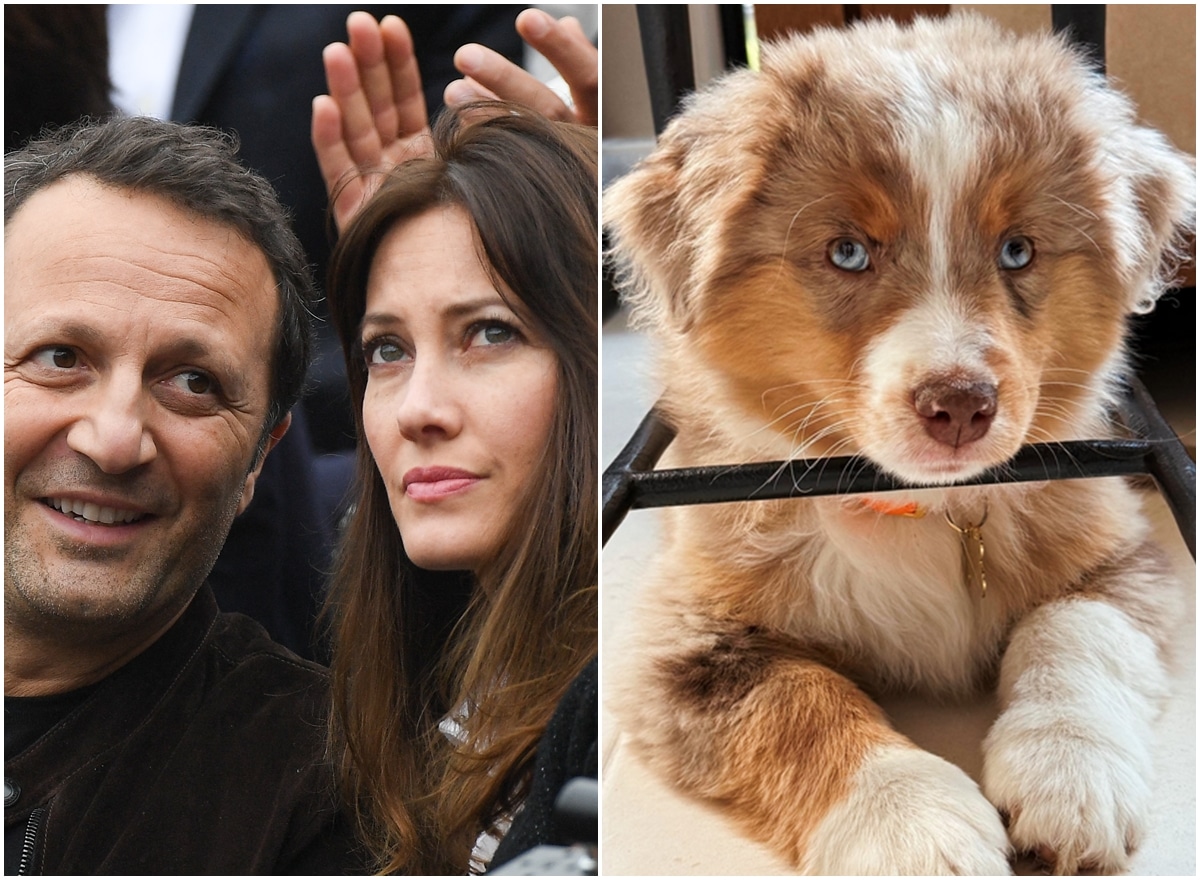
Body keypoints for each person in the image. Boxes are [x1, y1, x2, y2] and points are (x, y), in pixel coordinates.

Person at [3, 116, 364, 874]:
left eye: (193, 384)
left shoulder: (330, 803)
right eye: (61, 357)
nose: (113, 439)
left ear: (261, 457)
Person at [318, 99, 597, 872]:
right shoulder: (415, 682)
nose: (418, 410)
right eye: (386, 350)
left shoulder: (616, 705)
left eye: (489, 332)